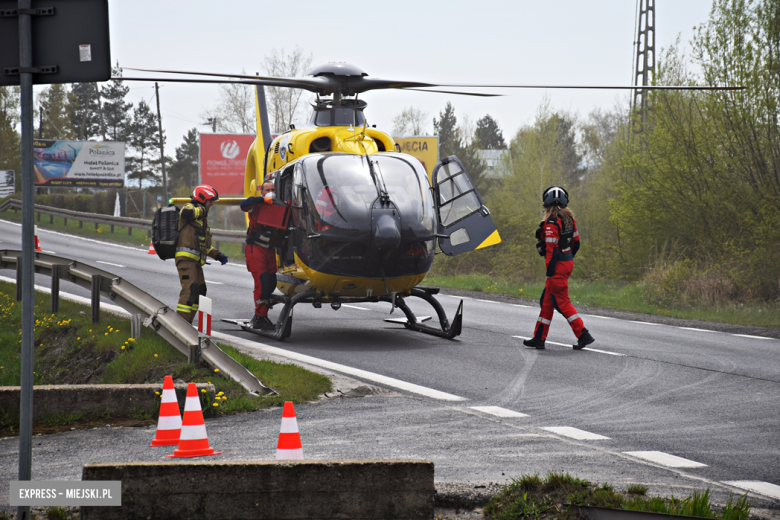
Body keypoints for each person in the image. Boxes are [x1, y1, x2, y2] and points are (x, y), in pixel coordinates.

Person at [523, 186, 595, 350]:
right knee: (547, 303)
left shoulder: (552, 222)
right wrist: (568, 258)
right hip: (566, 262)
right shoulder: (570, 220)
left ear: (546, 204)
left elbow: (551, 249)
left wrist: (550, 270)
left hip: (557, 266)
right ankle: (539, 338)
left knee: (562, 303)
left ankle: (583, 334)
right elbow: (576, 243)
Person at [175, 184, 228, 324]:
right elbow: (184, 214)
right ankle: (179, 327)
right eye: (210, 200)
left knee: (200, 291)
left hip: (196, 262)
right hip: (185, 260)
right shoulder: (190, 208)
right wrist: (203, 210)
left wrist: (217, 255)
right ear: (202, 198)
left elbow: (202, 245)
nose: (211, 204)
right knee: (190, 290)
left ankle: (187, 324)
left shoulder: (201, 219)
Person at [240, 179, 279, 330]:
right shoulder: (255, 205)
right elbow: (243, 205)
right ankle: (260, 317)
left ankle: (262, 315)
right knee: (262, 283)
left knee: (271, 283)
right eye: (267, 189)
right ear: (262, 192)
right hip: (255, 249)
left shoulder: (279, 206)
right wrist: (262, 200)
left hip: (269, 250)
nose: (270, 192)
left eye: (273, 189)